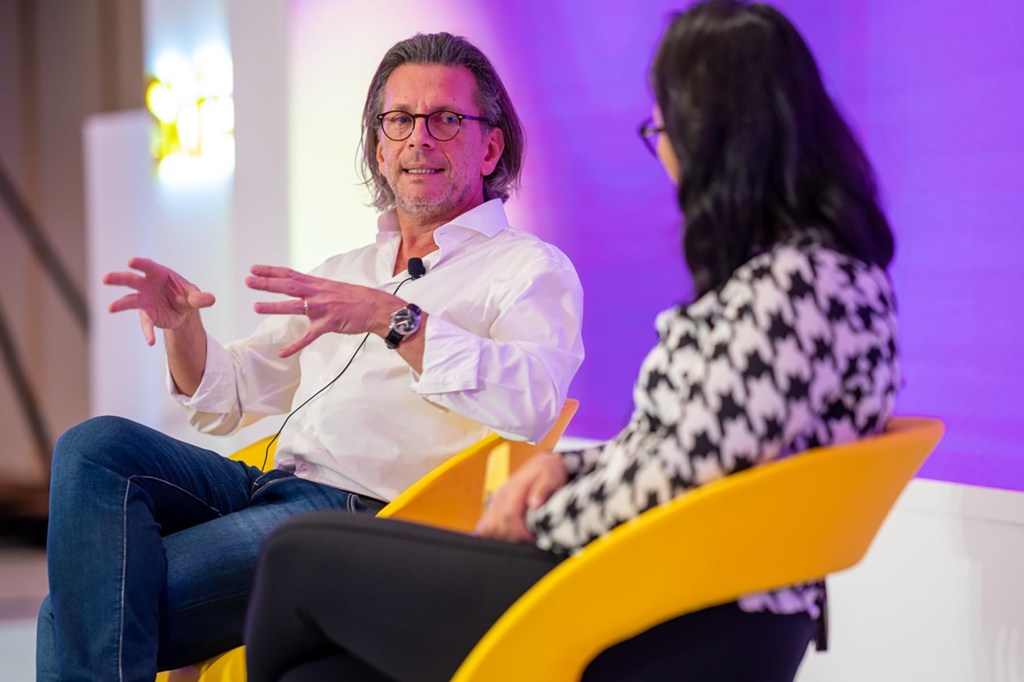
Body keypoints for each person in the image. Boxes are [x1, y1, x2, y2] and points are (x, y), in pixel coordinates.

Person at [243, 2, 900, 681]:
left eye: (664, 127)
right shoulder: (813, 278)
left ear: (726, 135)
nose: (666, 150)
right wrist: (569, 470)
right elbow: (686, 450)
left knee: (295, 555)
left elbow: (682, 475)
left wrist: (538, 516)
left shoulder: (797, 288)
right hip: (646, 578)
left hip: (673, 605)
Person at [36, 32, 585, 681]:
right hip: (265, 490)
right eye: (400, 121)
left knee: (70, 610)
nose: (419, 140)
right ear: (379, 148)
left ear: (490, 144)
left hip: (359, 516)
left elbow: (531, 403)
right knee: (95, 448)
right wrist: (185, 330)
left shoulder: (528, 269)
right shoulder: (346, 270)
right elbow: (228, 397)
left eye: (445, 120)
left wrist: (394, 317)